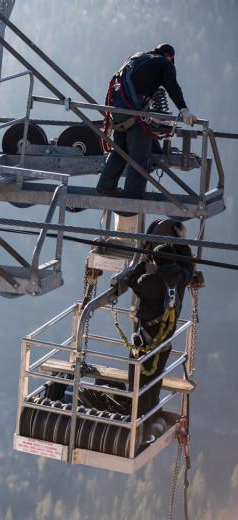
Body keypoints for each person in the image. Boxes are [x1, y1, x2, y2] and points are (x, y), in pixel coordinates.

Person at [96, 43, 196, 201]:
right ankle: (133, 197)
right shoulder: (165, 64)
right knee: (139, 157)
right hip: (134, 114)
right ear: (170, 57)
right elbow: (172, 86)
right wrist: (183, 109)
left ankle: (105, 186)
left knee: (120, 150)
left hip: (117, 111)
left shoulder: (136, 57)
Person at [124, 240, 194, 417]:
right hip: (165, 342)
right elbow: (189, 267)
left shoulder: (150, 282)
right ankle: (151, 412)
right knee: (154, 379)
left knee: (138, 381)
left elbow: (132, 279)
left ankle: (138, 415)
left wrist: (142, 260)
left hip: (145, 343)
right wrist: (183, 249)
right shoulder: (181, 277)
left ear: (156, 262)